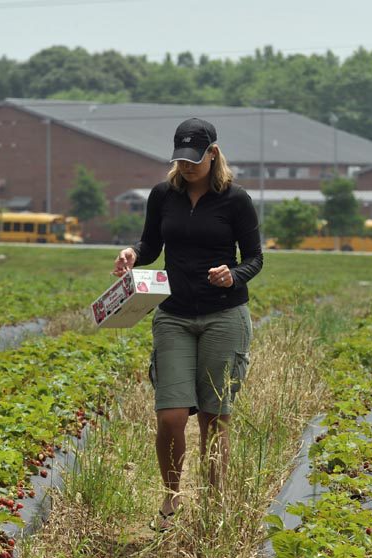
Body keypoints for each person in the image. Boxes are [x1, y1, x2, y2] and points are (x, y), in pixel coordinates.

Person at [112, 117, 263, 532]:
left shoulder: (236, 200)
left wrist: (233, 274)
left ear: (213, 153)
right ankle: (171, 497)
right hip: (173, 314)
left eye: (195, 159)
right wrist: (131, 253)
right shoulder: (163, 195)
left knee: (214, 416)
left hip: (224, 315)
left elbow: (255, 258)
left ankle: (215, 507)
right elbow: (150, 245)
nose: (188, 166)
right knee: (171, 416)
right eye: (181, 159)